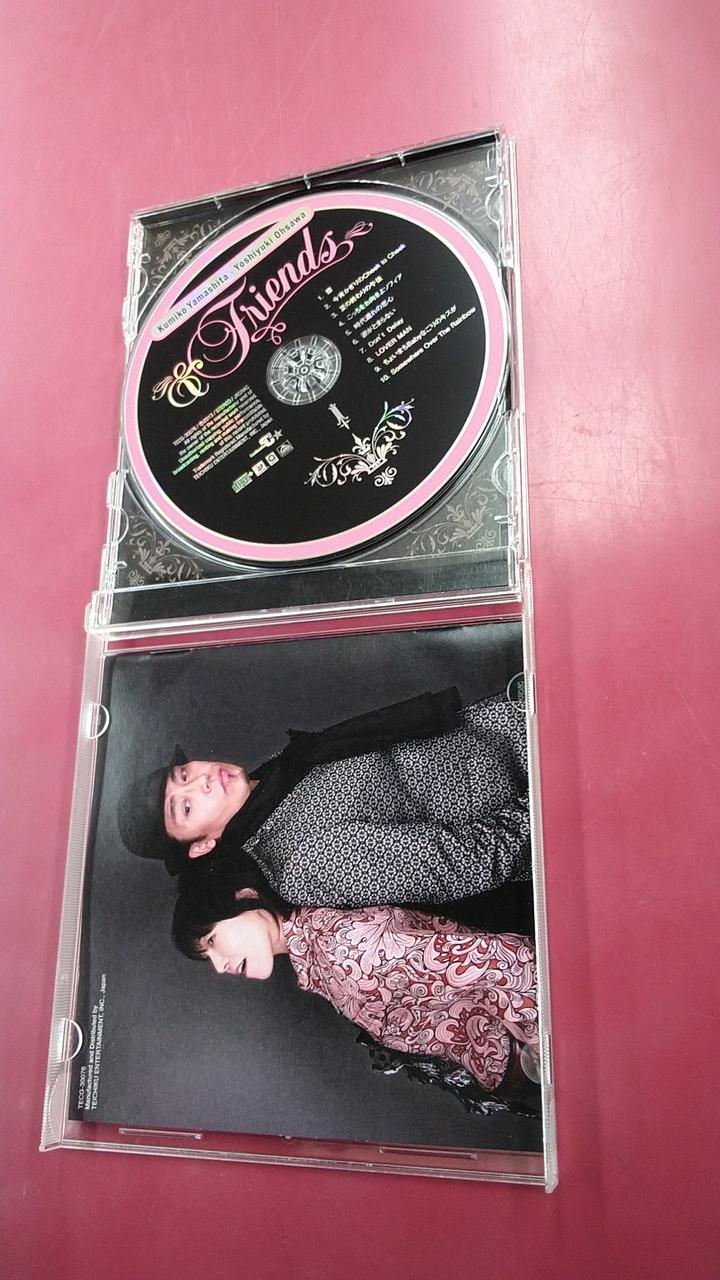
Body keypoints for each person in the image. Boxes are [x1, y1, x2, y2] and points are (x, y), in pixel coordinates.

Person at [118, 686, 534, 929]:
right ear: (201, 845)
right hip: (536, 782)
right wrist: (546, 800)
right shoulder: (297, 862)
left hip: (517, 719)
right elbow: (464, 863)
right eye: (185, 807)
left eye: (184, 774)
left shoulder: (279, 772)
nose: (201, 781)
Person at [172, 876, 540, 1104]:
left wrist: (546, 1047)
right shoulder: (318, 956)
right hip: (520, 1065)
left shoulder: (341, 946)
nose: (220, 966)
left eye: (212, 940)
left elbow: (506, 963)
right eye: (209, 960)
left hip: (540, 1048)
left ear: (245, 896)